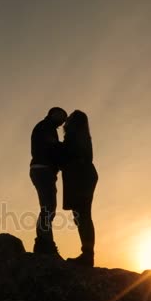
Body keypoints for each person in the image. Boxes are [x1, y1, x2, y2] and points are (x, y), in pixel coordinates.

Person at [61, 110, 98, 267]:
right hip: (82, 175)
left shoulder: (73, 136)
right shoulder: (82, 136)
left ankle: (87, 255)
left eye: (69, 118)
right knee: (81, 216)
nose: (66, 121)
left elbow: (68, 155)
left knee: (82, 216)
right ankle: (87, 255)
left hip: (80, 176)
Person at [30, 107, 67, 256]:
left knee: (48, 207)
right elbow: (52, 147)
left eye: (64, 117)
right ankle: (44, 244)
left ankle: (44, 242)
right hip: (42, 169)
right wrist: (66, 147)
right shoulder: (44, 127)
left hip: (43, 170)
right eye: (61, 115)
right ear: (52, 114)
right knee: (48, 207)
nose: (63, 119)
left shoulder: (48, 128)